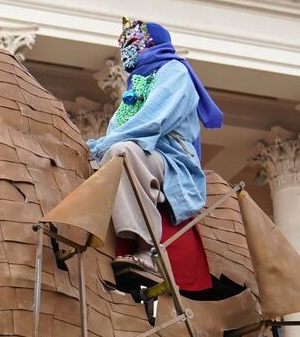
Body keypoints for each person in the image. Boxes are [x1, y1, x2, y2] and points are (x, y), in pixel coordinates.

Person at [87, 19, 221, 289]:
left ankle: (147, 249)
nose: (125, 49)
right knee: (108, 155)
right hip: (142, 151)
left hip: (171, 160)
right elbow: (118, 127)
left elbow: (154, 120)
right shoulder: (136, 85)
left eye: (131, 42)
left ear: (150, 43)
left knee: (121, 152)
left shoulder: (174, 72)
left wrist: (101, 146)